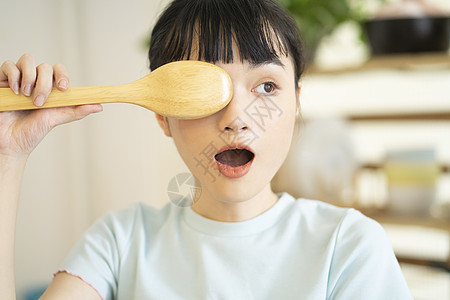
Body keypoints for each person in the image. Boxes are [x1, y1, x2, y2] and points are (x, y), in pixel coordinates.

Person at [0, 0, 412, 299]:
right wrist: (7, 156)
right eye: (203, 91)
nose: (236, 118)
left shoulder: (349, 245)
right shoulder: (120, 242)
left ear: (297, 102)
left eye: (266, 86)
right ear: (162, 115)